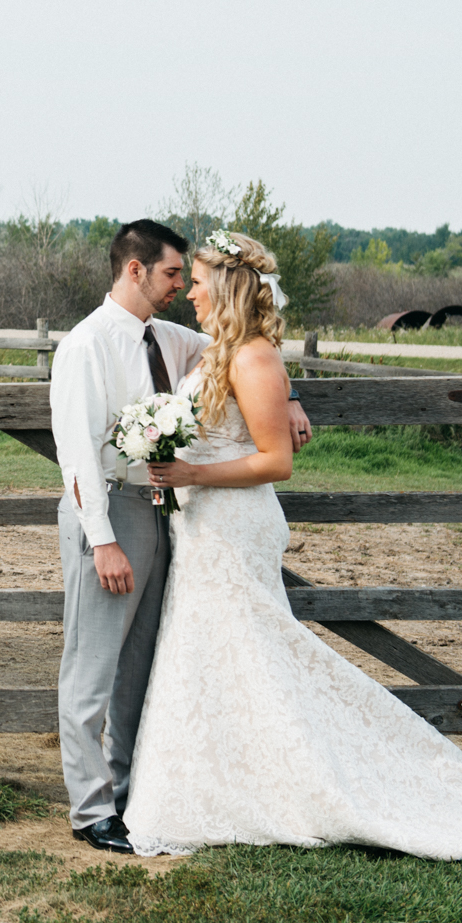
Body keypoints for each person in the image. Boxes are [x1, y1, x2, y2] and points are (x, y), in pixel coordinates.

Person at [124, 230, 462, 863]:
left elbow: (275, 461)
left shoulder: (252, 358)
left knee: (252, 647)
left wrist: (192, 474)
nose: (192, 294)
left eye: (203, 283)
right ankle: (225, 782)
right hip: (203, 528)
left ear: (230, 286)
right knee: (218, 652)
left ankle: (302, 782)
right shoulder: (226, 351)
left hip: (233, 524)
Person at [49, 219, 313, 853]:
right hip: (109, 511)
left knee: (140, 665)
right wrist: (102, 539)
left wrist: (293, 395)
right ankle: (90, 812)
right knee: (92, 667)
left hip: (165, 515)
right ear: (135, 270)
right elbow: (78, 454)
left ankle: (128, 793)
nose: (180, 287)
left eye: (188, 278)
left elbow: (245, 346)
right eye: (172, 274)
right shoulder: (86, 346)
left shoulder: (166, 338)